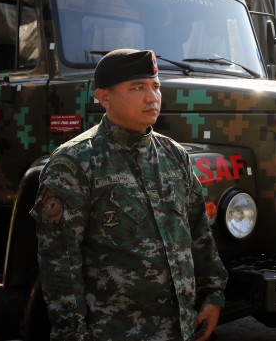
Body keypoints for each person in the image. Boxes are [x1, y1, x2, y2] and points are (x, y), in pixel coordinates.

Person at [30, 48, 228, 340]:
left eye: (155, 86)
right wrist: (71, 333)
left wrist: (213, 295)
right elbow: (60, 263)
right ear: (104, 97)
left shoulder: (174, 155)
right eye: (137, 88)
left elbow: (199, 232)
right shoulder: (73, 163)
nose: (152, 97)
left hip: (181, 330)